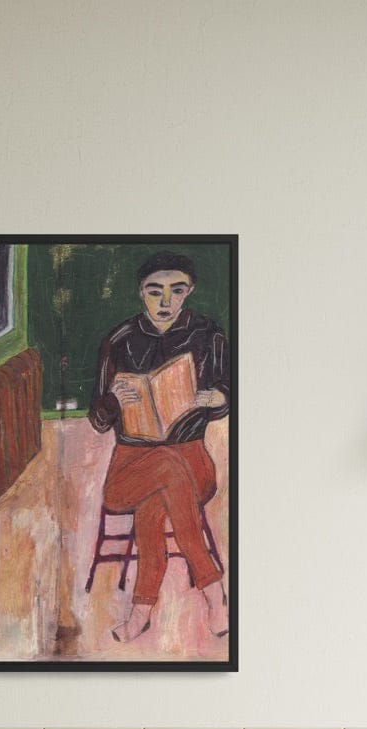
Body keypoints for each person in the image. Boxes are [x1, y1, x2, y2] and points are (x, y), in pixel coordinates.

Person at [88, 252, 230, 641]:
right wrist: (114, 399)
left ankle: (140, 612)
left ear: (190, 291)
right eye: (155, 292)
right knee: (160, 474)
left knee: (158, 491)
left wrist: (215, 398)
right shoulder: (117, 341)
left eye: (177, 291)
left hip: (191, 459)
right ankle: (215, 595)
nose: (166, 302)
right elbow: (98, 420)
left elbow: (230, 397)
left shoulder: (208, 334)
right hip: (131, 465)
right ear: (140, 293)